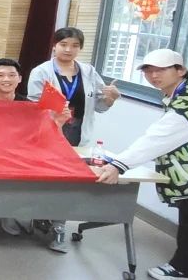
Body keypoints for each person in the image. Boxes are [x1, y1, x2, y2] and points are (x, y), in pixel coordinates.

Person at [94, 49, 188, 280]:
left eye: (161, 70)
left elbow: (158, 138)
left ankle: (185, 267)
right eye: (149, 71)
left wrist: (119, 165)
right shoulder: (179, 93)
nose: (154, 76)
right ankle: (184, 268)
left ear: (181, 70)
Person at [27, 27, 120, 253]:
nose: (69, 50)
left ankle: (59, 225)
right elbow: (33, 105)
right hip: (50, 131)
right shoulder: (41, 71)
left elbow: (99, 106)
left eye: (75, 46)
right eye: (64, 44)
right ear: (54, 46)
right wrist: (56, 113)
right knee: (47, 179)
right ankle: (39, 216)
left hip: (78, 133)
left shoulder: (88, 71)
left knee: (69, 181)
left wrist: (110, 99)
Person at [0, 58, 69, 236]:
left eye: (11, 75)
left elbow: (41, 136)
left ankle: (11, 213)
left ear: (20, 78)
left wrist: (58, 122)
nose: (6, 79)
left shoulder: (27, 106)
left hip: (17, 156)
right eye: (0, 75)